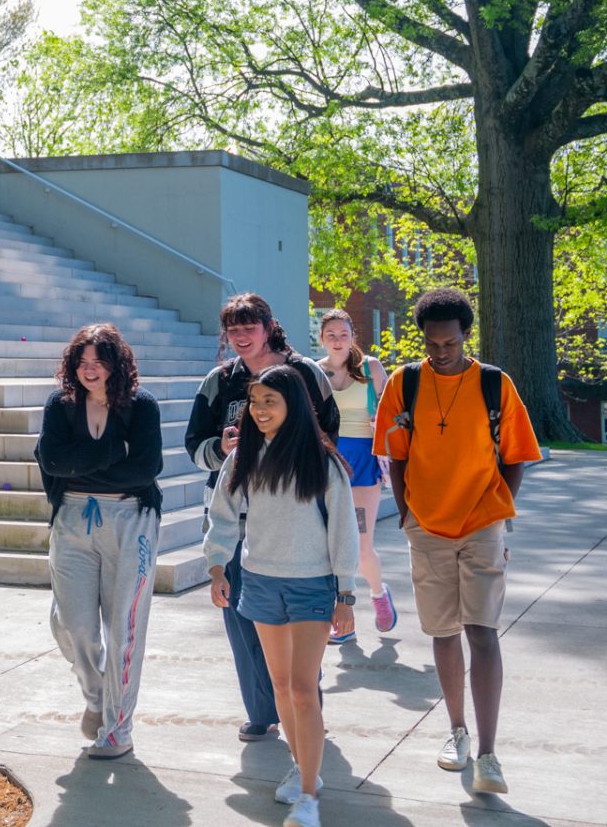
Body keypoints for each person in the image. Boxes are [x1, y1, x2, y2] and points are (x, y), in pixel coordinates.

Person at [375, 288, 542, 797]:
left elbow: (516, 454)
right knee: (443, 632)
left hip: (482, 524)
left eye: (449, 343)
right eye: (432, 343)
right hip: (426, 526)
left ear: (466, 335)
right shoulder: (405, 383)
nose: (441, 351)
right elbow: (396, 455)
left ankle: (488, 754)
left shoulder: (495, 384)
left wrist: (496, 506)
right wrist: (407, 512)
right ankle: (457, 732)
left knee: (482, 631)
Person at [204, 365, 358, 827]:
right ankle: (302, 765)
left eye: (270, 401)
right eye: (255, 402)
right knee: (281, 687)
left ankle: (308, 796)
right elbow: (223, 514)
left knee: (303, 688)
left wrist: (346, 593)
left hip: (312, 585)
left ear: (294, 405)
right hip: (259, 581)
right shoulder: (244, 456)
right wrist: (217, 565)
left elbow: (343, 529)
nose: (260, 410)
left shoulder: (322, 461)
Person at [183, 293, 339, 742]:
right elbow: (194, 445)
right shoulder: (220, 381)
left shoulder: (304, 373)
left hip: (296, 519)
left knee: (298, 620)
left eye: (249, 327)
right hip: (235, 519)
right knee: (240, 617)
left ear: (269, 327)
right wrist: (221, 449)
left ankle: (306, 705)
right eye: (232, 330)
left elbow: (330, 433)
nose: (240, 337)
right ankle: (261, 710)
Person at [34, 323, 164, 761]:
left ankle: (117, 729)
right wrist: (113, 453)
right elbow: (52, 461)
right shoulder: (60, 405)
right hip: (72, 519)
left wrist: (82, 465)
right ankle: (96, 697)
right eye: (82, 362)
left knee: (124, 628)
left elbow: (144, 470)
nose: (90, 370)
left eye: (99, 361)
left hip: (130, 520)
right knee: (71, 624)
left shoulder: (141, 406)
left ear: (116, 364)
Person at [315, 308, 397, 641]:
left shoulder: (370, 368)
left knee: (361, 547)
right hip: (327, 461)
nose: (337, 341)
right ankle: (340, 618)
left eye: (343, 334)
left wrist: (384, 429)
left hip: (363, 461)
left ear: (352, 337)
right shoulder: (313, 371)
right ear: (322, 338)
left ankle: (379, 594)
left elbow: (394, 412)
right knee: (328, 547)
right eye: (331, 335)